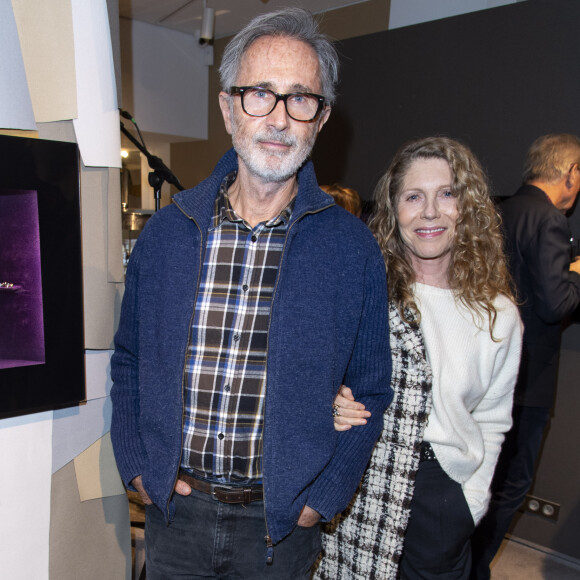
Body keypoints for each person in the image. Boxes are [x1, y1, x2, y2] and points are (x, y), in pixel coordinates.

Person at [110, 8, 392, 580]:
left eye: (300, 99)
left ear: (322, 117)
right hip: (176, 512)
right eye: (259, 93)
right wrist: (137, 464)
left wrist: (324, 497)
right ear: (227, 106)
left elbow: (371, 391)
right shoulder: (167, 234)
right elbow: (130, 360)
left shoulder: (350, 249)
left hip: (281, 525)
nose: (280, 118)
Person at [316, 136, 523, 579]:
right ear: (393, 209)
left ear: (467, 207)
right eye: (414, 196)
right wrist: (329, 401)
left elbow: (493, 418)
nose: (430, 211)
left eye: (447, 194)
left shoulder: (498, 315)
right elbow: (309, 372)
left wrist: (472, 502)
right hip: (361, 479)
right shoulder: (362, 291)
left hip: (443, 494)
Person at [471, 134, 580, 579]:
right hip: (529, 377)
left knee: (482, 478)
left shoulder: (499, 211)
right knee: (512, 483)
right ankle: (475, 570)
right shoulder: (549, 219)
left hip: (488, 367)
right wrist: (575, 273)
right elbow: (557, 304)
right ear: (569, 172)